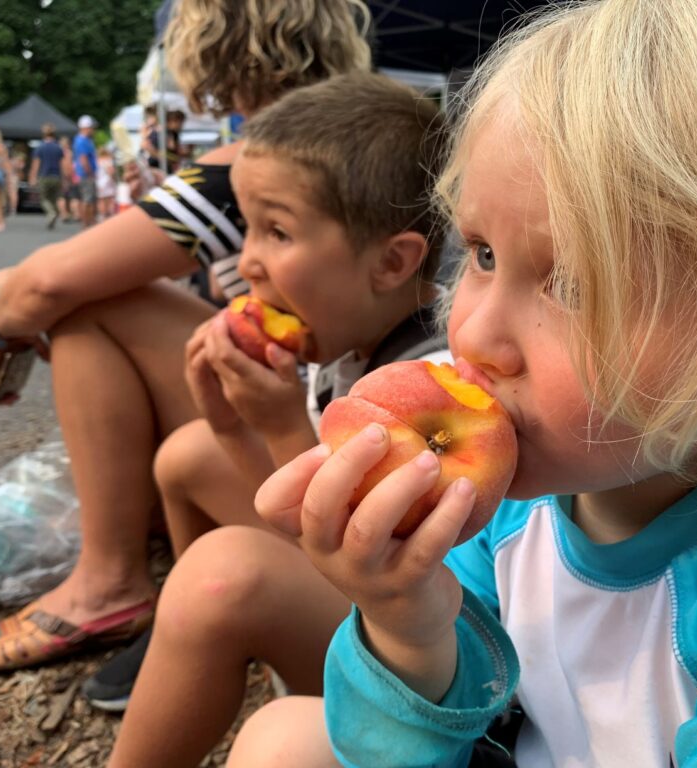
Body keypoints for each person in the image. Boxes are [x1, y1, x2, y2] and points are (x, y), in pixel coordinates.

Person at [229, 0, 697, 766]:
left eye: (571, 284)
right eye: (483, 254)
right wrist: (405, 620)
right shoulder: (508, 513)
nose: (472, 335)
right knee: (283, 740)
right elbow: (399, 750)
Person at [0, 0, 371, 673]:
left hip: (316, 445)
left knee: (87, 311)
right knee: (106, 296)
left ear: (211, 35)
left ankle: (109, 581)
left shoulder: (268, 156)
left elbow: (54, 286)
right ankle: (143, 549)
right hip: (354, 420)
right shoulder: (363, 131)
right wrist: (19, 282)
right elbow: (67, 268)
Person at [95, 76, 447, 754]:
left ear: (392, 262)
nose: (247, 261)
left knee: (225, 576)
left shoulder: (432, 386)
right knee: (189, 453)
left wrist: (285, 426)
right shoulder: (351, 334)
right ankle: (185, 643)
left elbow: (359, 549)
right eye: (249, 228)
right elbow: (295, 524)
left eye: (277, 231)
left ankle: (211, 627)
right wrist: (229, 424)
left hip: (414, 649)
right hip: (344, 582)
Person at [29, 123, 65, 229]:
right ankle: (54, 214)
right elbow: (62, 164)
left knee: (44, 198)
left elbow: (36, 164)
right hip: (56, 176)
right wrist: (64, 178)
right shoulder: (58, 148)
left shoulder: (40, 147)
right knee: (54, 199)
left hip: (44, 176)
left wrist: (32, 177)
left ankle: (51, 213)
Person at [72, 115, 98, 228]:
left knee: (88, 199)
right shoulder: (82, 141)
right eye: (91, 128)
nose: (93, 130)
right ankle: (86, 223)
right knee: (87, 199)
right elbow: (83, 159)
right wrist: (90, 172)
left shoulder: (83, 140)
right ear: (86, 128)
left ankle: (87, 222)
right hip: (86, 174)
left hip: (84, 174)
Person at [57, 135, 78, 223]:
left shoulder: (59, 153)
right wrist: (69, 176)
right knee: (72, 197)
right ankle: (75, 214)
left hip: (61, 177)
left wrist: (65, 176)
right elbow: (69, 166)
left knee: (61, 197)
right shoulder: (69, 153)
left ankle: (64, 214)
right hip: (69, 177)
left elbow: (64, 166)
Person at [95, 147, 116, 220]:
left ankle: (102, 215)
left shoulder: (97, 161)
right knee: (110, 199)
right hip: (108, 182)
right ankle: (110, 215)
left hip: (99, 182)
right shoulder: (108, 160)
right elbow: (111, 171)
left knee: (101, 200)